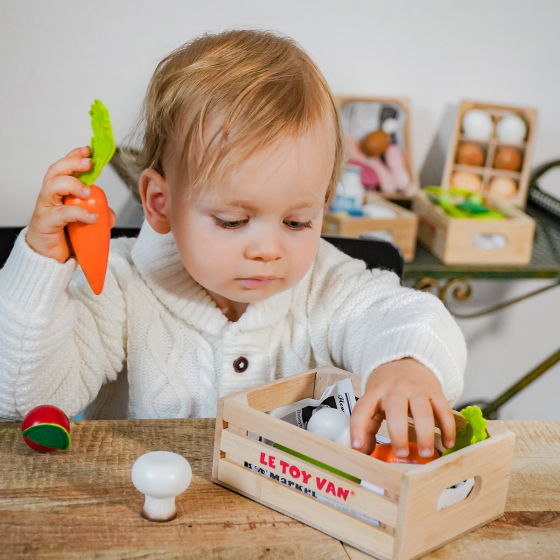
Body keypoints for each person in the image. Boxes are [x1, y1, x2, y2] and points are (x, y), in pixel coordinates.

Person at [0, 29, 465, 459]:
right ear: (161, 204)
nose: (268, 249)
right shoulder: (119, 286)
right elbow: (29, 400)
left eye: (298, 221)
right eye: (233, 221)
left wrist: (407, 361)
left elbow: (406, 315)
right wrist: (41, 263)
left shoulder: (327, 284)